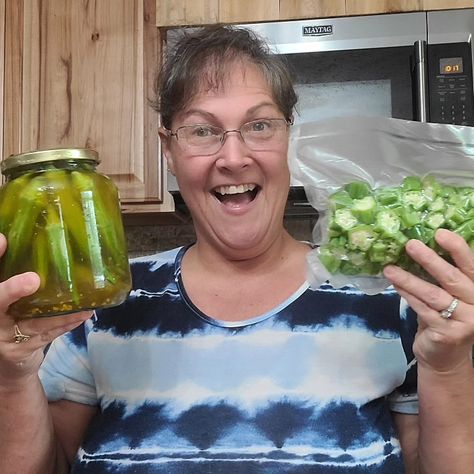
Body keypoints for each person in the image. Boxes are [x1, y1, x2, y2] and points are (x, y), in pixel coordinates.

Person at [0, 24, 473, 474]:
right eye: (203, 130)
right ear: (168, 150)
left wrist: (448, 368)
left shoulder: (392, 299)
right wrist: (11, 375)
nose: (233, 157)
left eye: (260, 126)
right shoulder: (104, 303)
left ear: (290, 136)